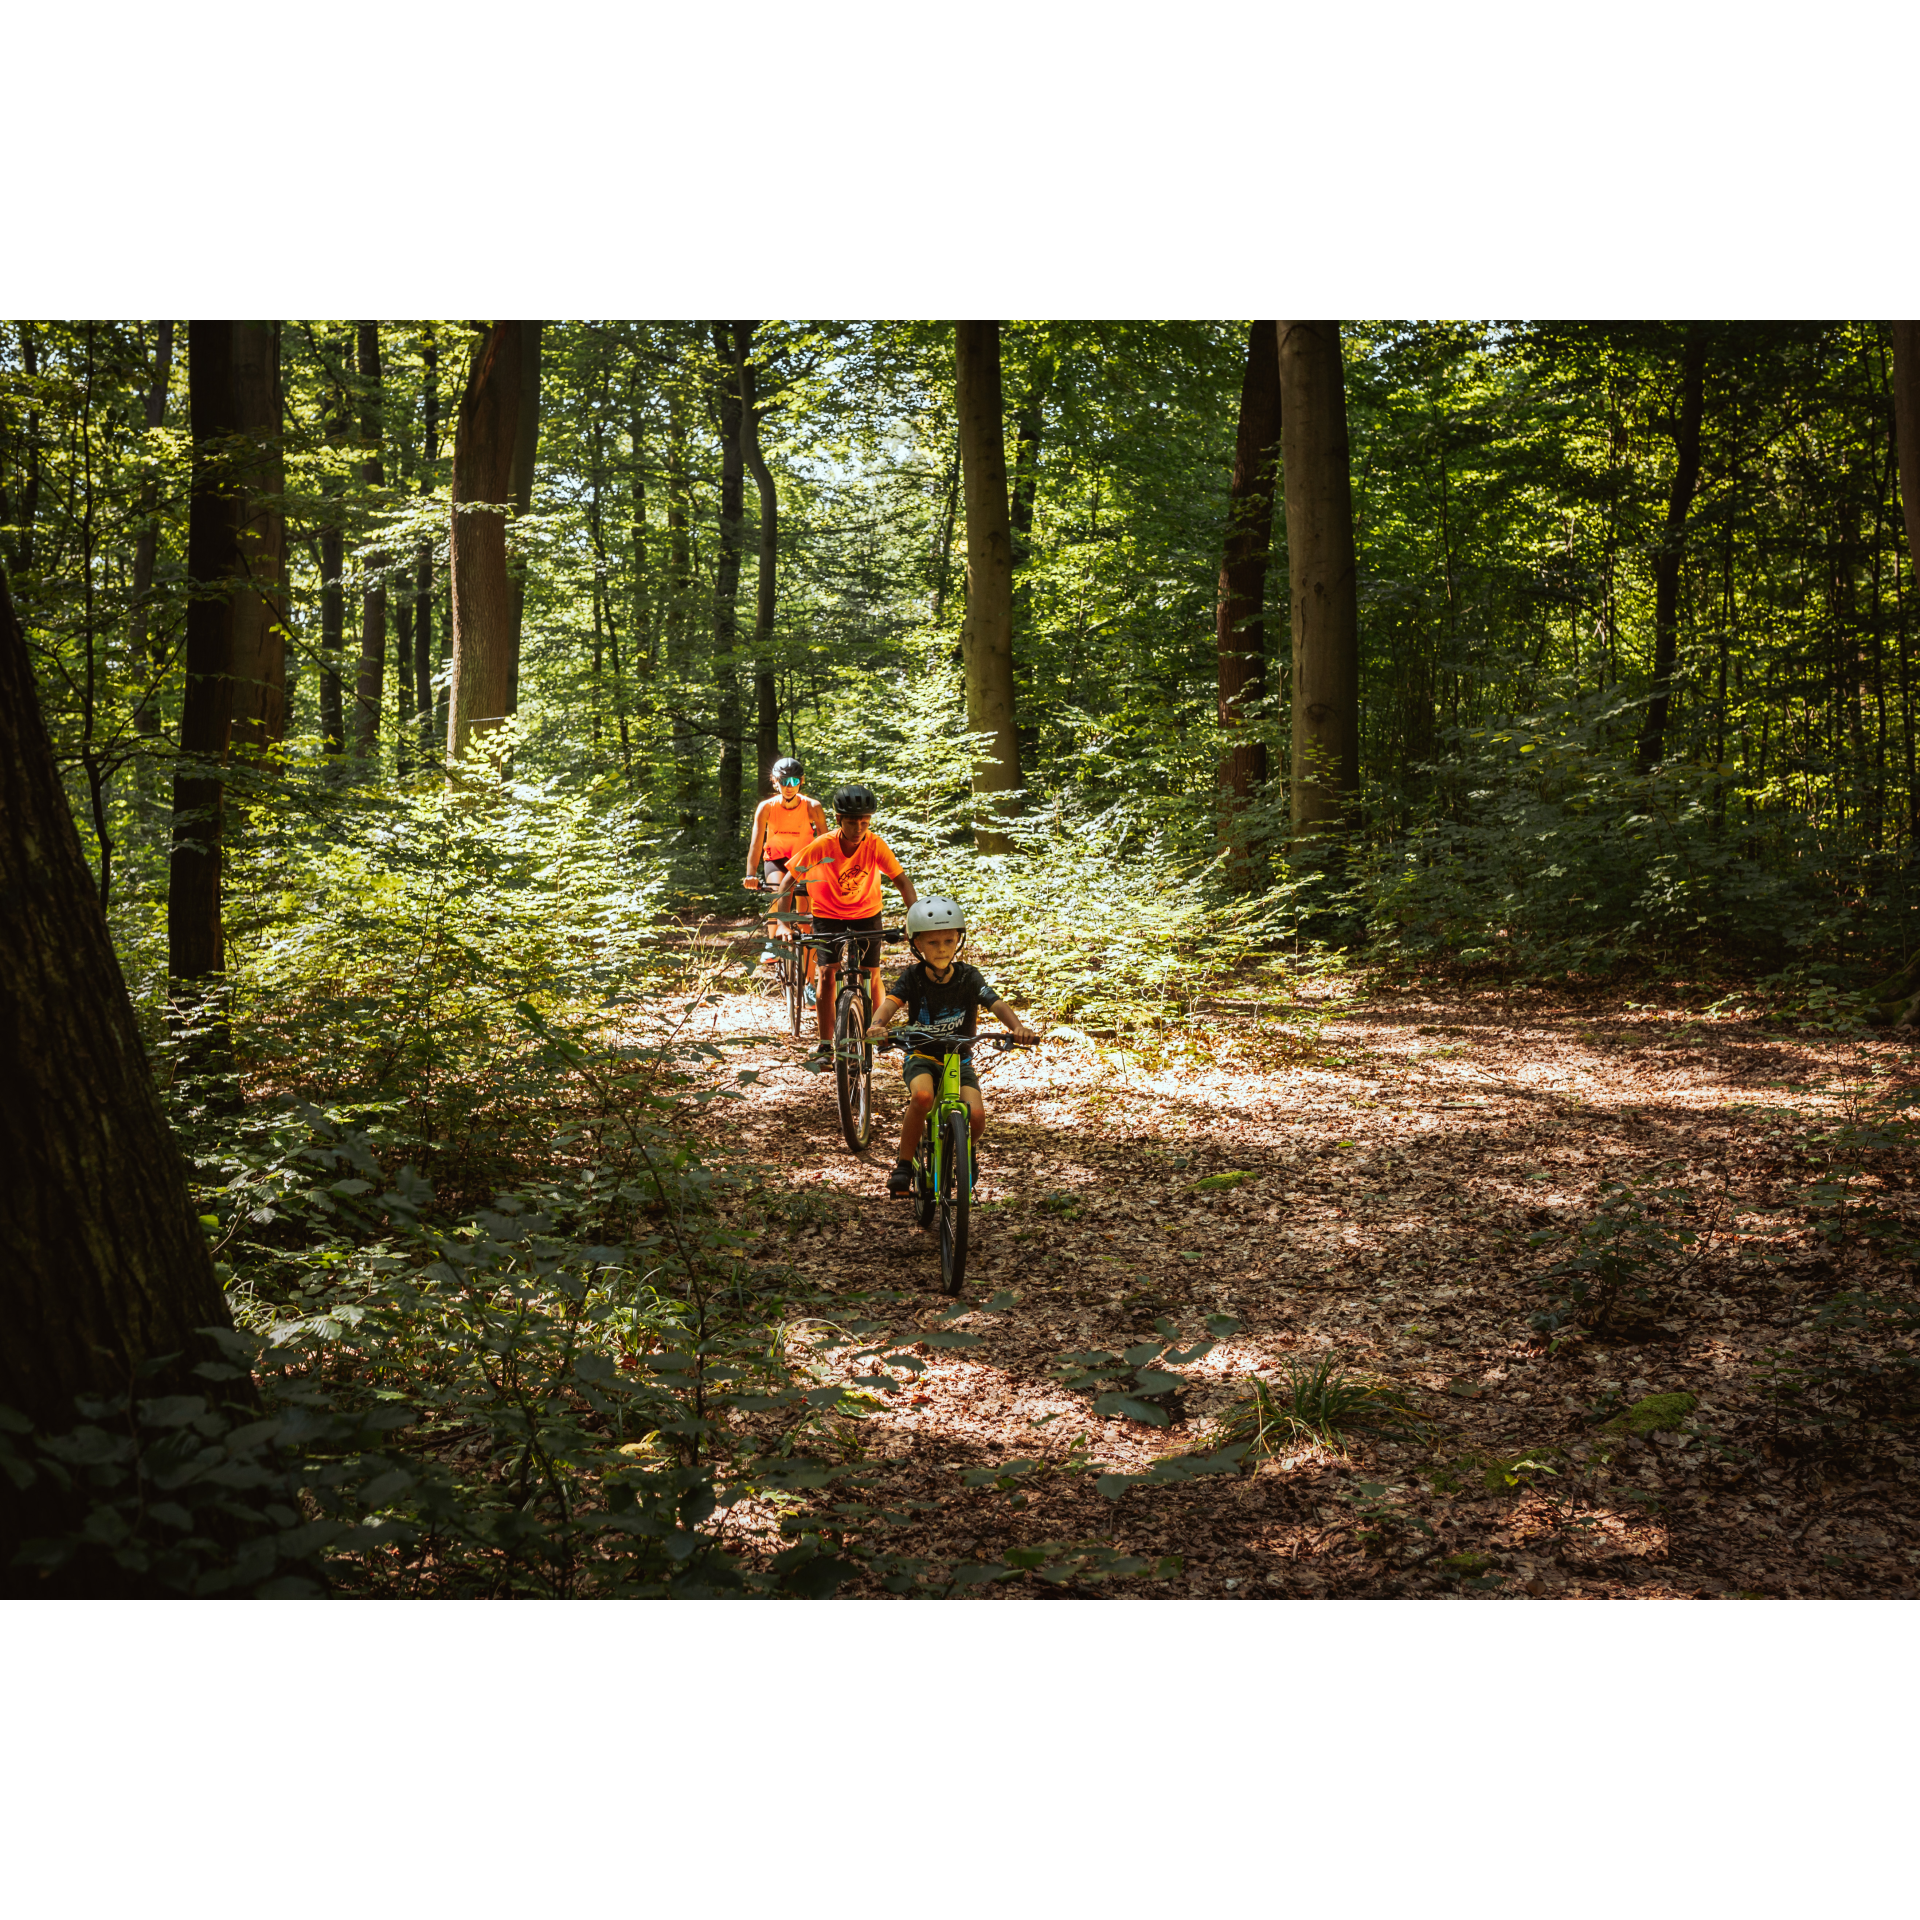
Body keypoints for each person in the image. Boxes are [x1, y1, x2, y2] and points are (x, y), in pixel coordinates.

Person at [868, 894, 1036, 1197]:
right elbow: (891, 1002)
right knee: (922, 1097)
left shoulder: (969, 976)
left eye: (949, 940)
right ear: (917, 944)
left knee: (976, 1116)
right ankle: (904, 1166)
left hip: (960, 1060)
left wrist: (1017, 1028)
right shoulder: (914, 977)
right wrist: (879, 1024)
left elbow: (995, 1003)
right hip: (922, 1055)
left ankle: (963, 1150)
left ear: (959, 940)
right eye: (933, 943)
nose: (942, 948)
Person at [776, 783, 917, 1057]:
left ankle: (879, 1032)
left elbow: (902, 882)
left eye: (865, 821)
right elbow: (788, 880)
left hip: (867, 913)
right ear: (839, 819)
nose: (859, 827)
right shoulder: (823, 845)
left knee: (872, 973)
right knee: (827, 974)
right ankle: (826, 1044)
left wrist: (913, 919)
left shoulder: (875, 845)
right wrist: (782, 922)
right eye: (853, 821)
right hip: (828, 914)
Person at [743, 757, 827, 992]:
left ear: (801, 782)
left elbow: (825, 842)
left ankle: (809, 984)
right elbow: (756, 843)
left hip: (805, 862)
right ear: (775, 782)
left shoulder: (813, 807)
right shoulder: (766, 808)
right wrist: (750, 874)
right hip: (777, 860)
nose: (788, 786)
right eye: (783, 781)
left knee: (807, 921)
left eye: (793, 781)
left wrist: (828, 871)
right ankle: (773, 943)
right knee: (773, 888)